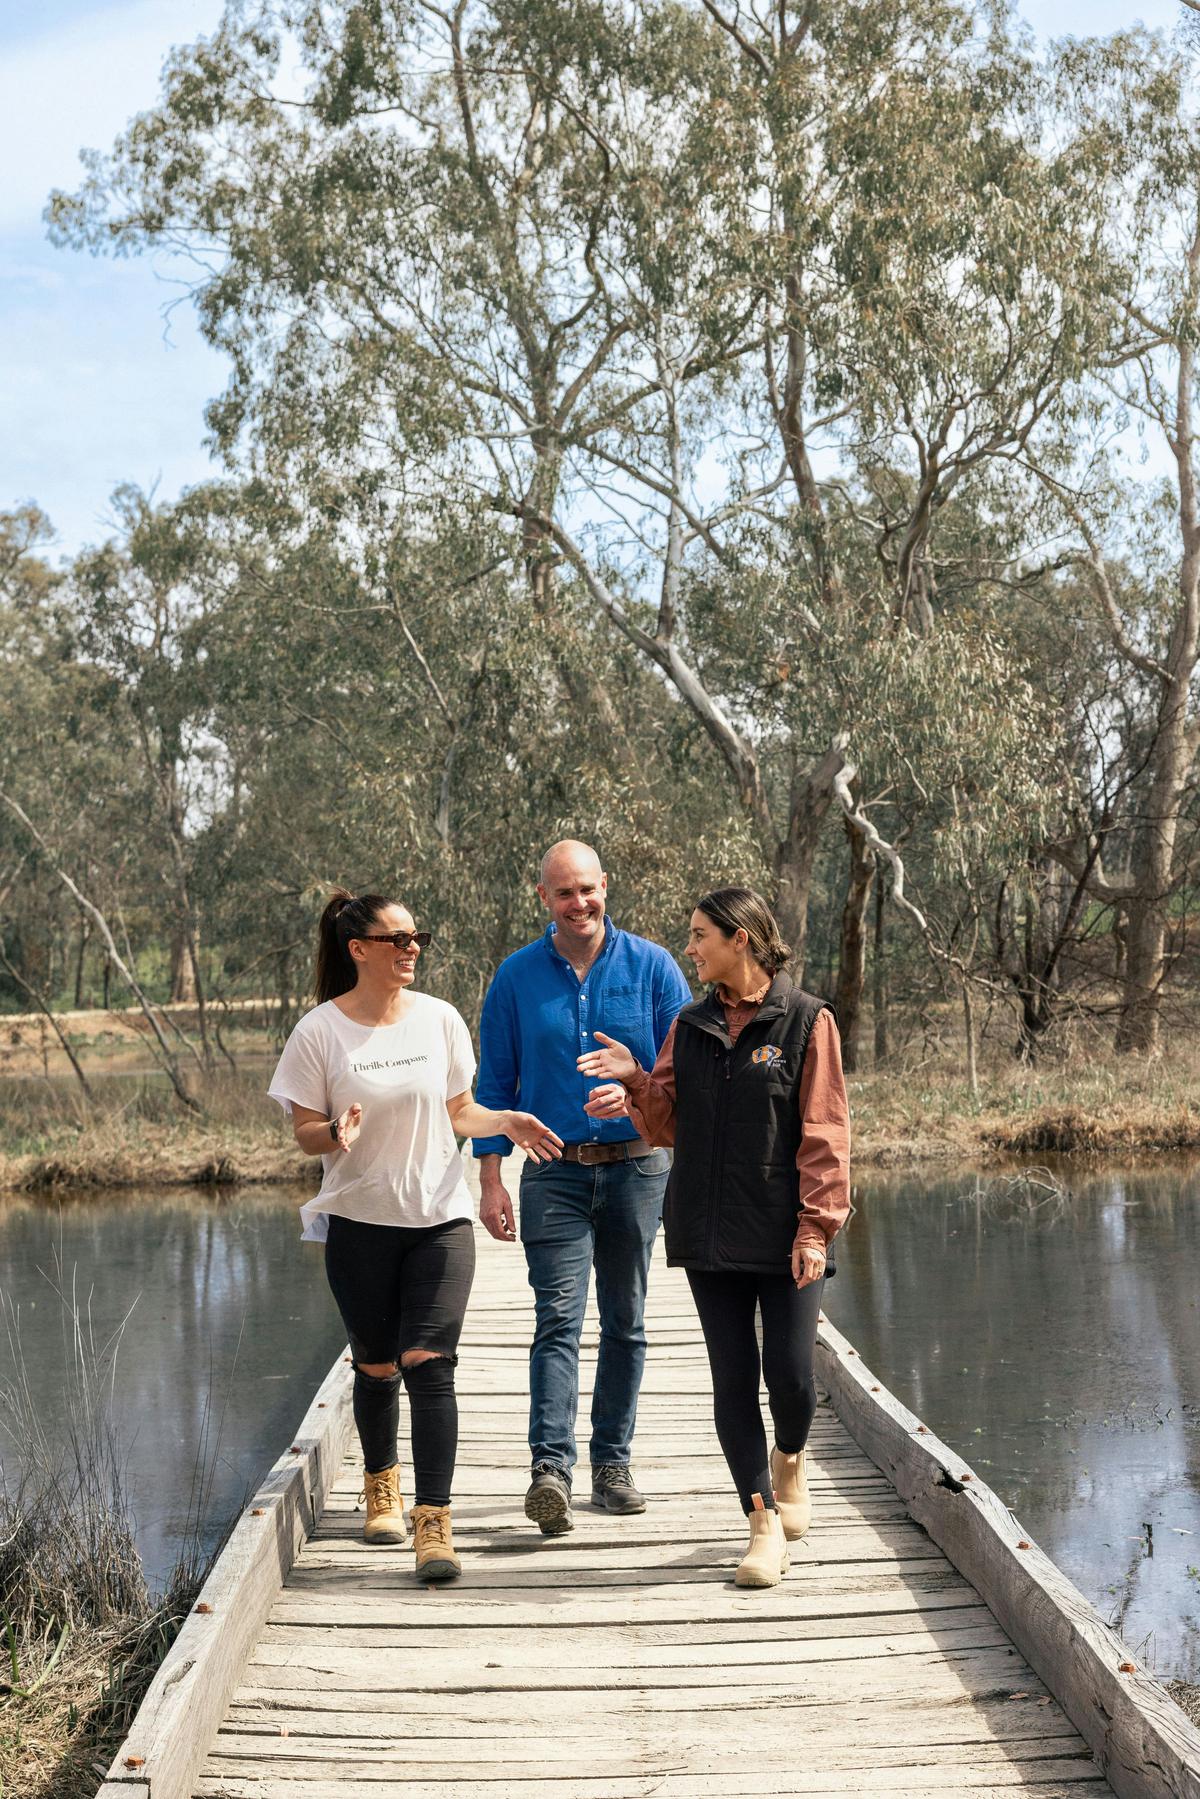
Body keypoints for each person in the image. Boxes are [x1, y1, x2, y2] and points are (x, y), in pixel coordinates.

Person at [268, 888, 561, 1582]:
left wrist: (505, 1121)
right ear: (358, 948)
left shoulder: (439, 1019)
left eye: (416, 937)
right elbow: (304, 1125)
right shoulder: (320, 1031)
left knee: (430, 1364)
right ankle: (381, 1482)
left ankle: (434, 1524)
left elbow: (461, 1110)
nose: (412, 948)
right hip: (360, 1223)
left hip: (438, 1218)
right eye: (397, 938)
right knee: (376, 1366)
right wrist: (332, 1132)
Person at [577, 886, 850, 1589]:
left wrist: (816, 1226)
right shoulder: (690, 1025)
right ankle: (761, 1523)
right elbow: (666, 1126)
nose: (690, 947)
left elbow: (825, 1133)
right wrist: (637, 1080)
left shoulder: (807, 1020)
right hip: (707, 1230)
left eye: (700, 935)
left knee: (789, 1374)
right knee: (732, 1380)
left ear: (742, 939)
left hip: (788, 1232)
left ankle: (791, 1456)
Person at [474, 840, 692, 1535]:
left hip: (636, 1167)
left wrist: (632, 1092)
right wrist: (490, 1177)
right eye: (564, 892)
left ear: (607, 887)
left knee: (626, 1319)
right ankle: (551, 1470)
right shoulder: (514, 979)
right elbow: (493, 1085)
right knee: (557, 1319)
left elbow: (683, 1074)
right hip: (552, 1171)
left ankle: (612, 1463)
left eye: (589, 889)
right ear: (543, 897)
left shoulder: (654, 967)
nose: (580, 903)